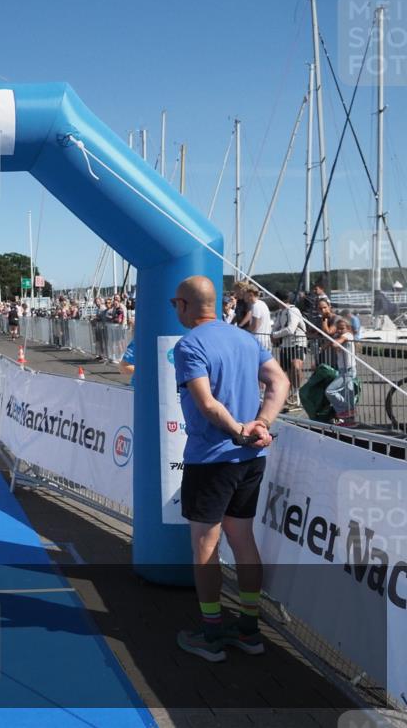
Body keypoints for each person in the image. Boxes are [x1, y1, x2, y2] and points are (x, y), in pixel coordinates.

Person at [170, 276, 288, 662]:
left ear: (186, 305)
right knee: (243, 540)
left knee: (205, 547)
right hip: (250, 459)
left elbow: (206, 404)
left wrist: (241, 431)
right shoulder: (244, 338)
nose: (175, 310)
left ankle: (212, 633)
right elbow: (279, 381)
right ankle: (250, 629)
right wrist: (261, 425)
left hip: (213, 459)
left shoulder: (190, 345)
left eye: (176, 304)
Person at [270, 294, 307, 410]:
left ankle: (298, 394)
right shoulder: (280, 313)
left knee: (296, 366)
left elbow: (291, 329)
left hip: (297, 342)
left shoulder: (293, 310)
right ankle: (293, 396)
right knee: (289, 370)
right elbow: (276, 326)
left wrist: (275, 335)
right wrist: (273, 332)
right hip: (285, 345)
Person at [324, 318, 358, 427]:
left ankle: (346, 410)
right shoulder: (340, 336)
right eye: (337, 329)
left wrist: (333, 341)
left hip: (348, 370)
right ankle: (350, 421)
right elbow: (329, 340)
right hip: (343, 369)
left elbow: (335, 345)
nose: (339, 331)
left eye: (341, 328)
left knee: (330, 391)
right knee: (348, 395)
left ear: (348, 328)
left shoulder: (348, 335)